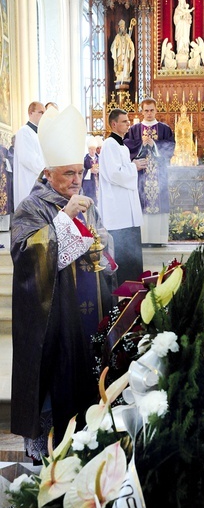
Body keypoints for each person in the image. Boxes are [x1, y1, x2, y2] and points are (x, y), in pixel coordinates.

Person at [11, 105, 115, 463]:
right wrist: (62, 222)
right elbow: (26, 257)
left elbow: (103, 250)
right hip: (53, 319)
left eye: (80, 172)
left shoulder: (84, 203)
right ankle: (47, 461)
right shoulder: (31, 207)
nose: (76, 180)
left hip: (87, 319)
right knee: (56, 387)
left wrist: (103, 242)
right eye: (68, 173)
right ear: (48, 173)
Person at [98, 108, 148, 285]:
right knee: (123, 248)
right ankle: (125, 286)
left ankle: (134, 285)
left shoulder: (121, 145)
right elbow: (114, 174)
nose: (128, 124)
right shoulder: (110, 145)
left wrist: (133, 166)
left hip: (127, 209)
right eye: (125, 121)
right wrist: (134, 167)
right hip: (118, 210)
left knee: (132, 249)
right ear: (114, 124)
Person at [124, 98, 175, 246]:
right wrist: (141, 144)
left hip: (160, 176)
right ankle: (144, 240)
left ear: (156, 110)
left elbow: (170, 147)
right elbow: (127, 147)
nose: (149, 113)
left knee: (160, 205)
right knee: (142, 205)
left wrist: (155, 144)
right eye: (146, 110)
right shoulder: (134, 130)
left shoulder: (164, 129)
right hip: (141, 176)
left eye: (152, 110)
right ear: (141, 111)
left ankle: (159, 240)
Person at [13, 101, 46, 209]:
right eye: (40, 112)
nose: (43, 115)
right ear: (31, 113)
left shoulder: (38, 134)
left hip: (39, 181)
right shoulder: (24, 132)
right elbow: (27, 158)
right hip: (29, 181)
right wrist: (46, 171)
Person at [110, 19, 135, 85]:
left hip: (126, 57)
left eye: (123, 27)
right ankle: (119, 76)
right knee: (119, 67)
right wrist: (116, 44)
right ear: (119, 28)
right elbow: (113, 47)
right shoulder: (117, 37)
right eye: (120, 27)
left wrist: (129, 44)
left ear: (125, 27)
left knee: (126, 67)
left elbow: (131, 47)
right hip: (120, 57)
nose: (122, 28)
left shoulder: (127, 36)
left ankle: (126, 76)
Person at [83, 135, 99, 204]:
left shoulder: (99, 159)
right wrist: (90, 171)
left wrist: (99, 170)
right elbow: (82, 172)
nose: (92, 151)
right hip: (90, 185)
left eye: (93, 149)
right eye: (90, 149)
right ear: (88, 149)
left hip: (98, 183)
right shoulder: (85, 160)